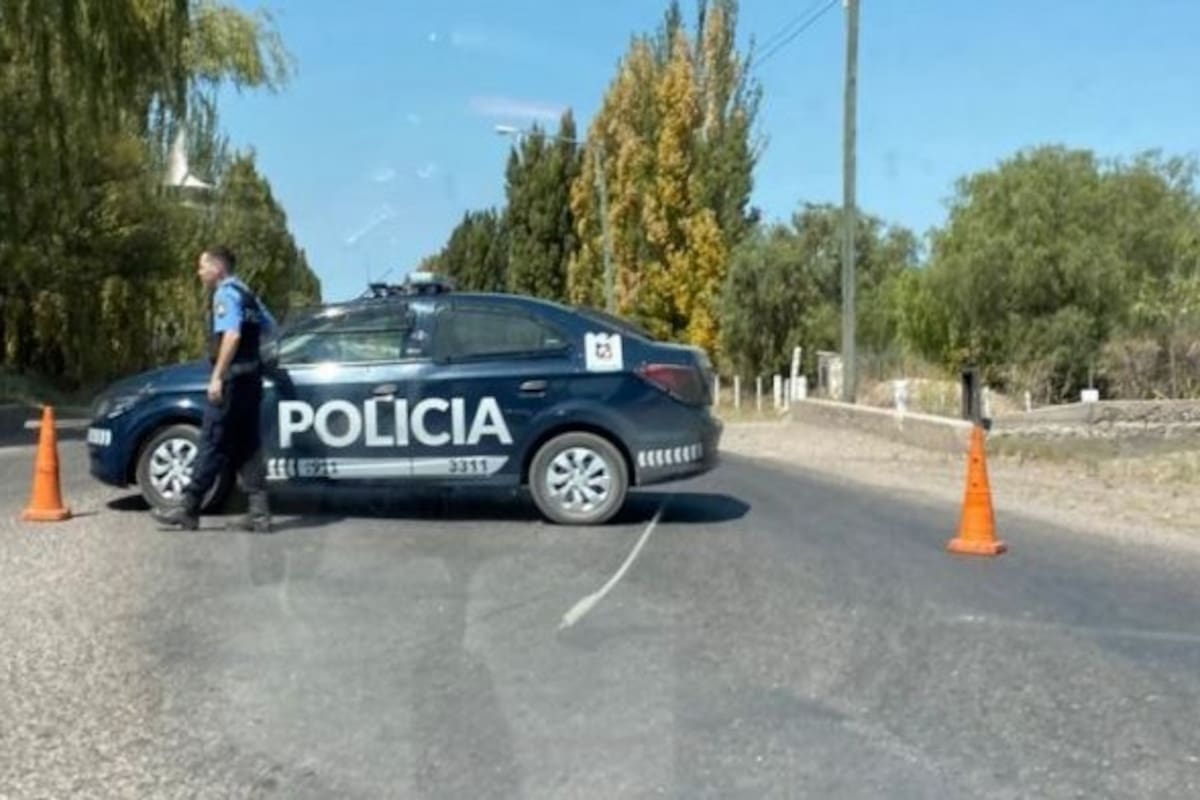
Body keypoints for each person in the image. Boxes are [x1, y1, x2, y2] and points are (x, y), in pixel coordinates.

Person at [154, 246, 278, 532]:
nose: (199, 272)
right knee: (249, 446)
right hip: (252, 380)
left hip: (233, 380)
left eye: (202, 266)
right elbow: (271, 328)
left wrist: (218, 376)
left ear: (218, 268)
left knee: (212, 441)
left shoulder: (225, 293)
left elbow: (231, 335)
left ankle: (189, 508)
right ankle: (259, 515)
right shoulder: (249, 294)